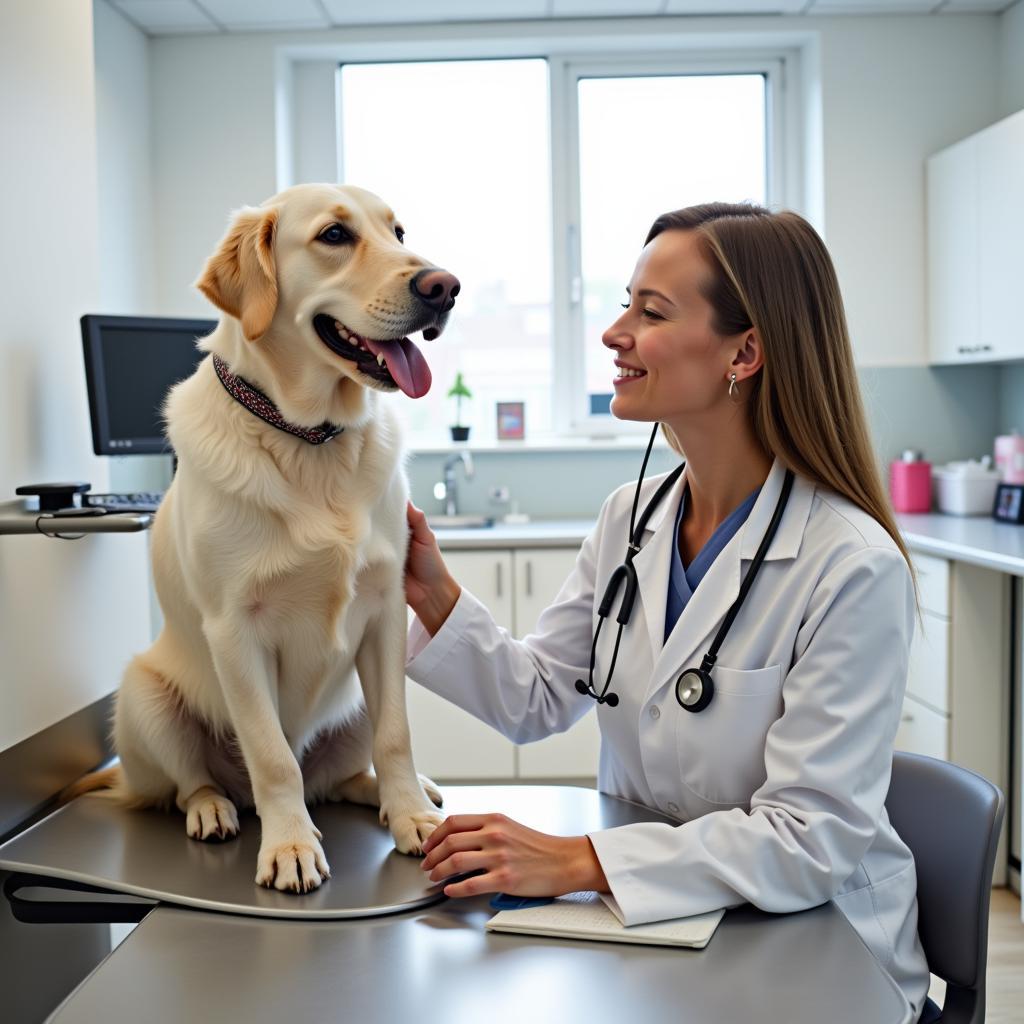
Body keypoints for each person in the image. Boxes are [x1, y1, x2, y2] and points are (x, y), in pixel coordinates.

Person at [403, 202, 932, 1020]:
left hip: (816, 949)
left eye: (650, 312)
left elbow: (810, 839)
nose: (616, 333)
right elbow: (539, 698)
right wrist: (430, 592)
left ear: (745, 351)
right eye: (626, 305)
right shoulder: (631, 517)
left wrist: (579, 861)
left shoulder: (850, 564)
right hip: (661, 928)